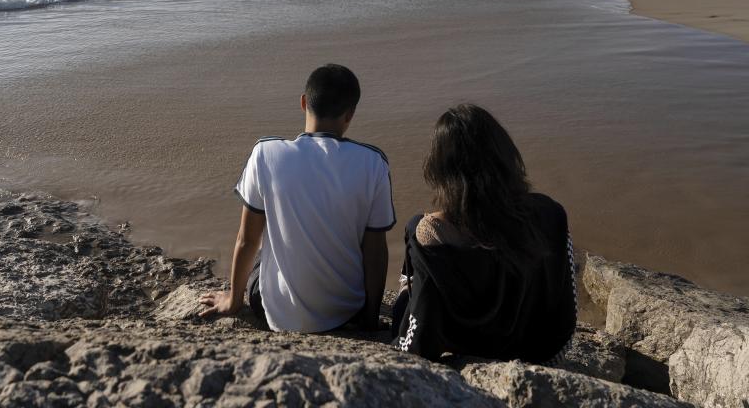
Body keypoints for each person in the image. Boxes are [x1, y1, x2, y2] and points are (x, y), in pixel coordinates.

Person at [199, 64, 395, 332]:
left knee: (264, 247)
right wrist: (370, 320)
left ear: (303, 103)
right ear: (350, 114)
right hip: (346, 310)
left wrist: (233, 300)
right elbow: (376, 251)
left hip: (279, 315)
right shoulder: (373, 162)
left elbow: (246, 239)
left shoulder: (265, 153)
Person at [392, 104, 576, 362]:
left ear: (441, 169)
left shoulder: (432, 235)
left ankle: (406, 285)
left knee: (414, 228)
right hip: (533, 348)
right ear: (505, 156)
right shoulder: (551, 213)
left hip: (469, 348)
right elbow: (566, 310)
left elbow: (418, 343)